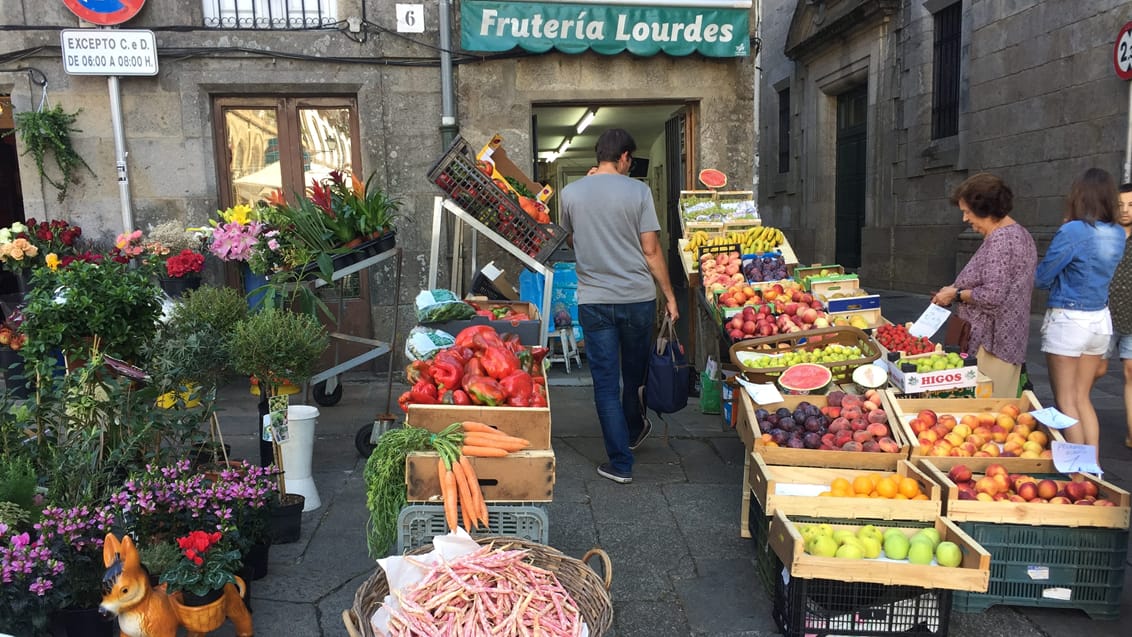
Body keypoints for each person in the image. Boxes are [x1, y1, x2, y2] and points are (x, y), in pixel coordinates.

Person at [559, 128, 679, 484]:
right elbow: (651, 250)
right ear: (624, 156)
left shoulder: (570, 193)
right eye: (630, 160)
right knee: (634, 375)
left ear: (599, 157)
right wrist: (670, 296)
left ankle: (620, 463)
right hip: (637, 299)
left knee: (605, 385)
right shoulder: (638, 191)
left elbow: (569, 236)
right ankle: (633, 428)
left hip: (595, 301)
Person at [1034, 168, 1126, 448]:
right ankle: (1093, 468)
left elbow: (1042, 277)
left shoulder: (1073, 230)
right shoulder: (1117, 233)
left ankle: (1077, 471)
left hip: (1069, 319)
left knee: (1066, 399)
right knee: (1083, 397)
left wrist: (1066, 230)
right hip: (1100, 319)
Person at [932, 173, 1037, 397]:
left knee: (987, 408)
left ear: (985, 208)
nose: (965, 219)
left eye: (967, 212)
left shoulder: (1001, 240)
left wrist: (956, 294)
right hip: (1006, 340)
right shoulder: (1020, 234)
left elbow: (993, 296)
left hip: (992, 345)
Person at [1104, 183, 1132, 449]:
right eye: (1121, 204)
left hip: (1131, 317)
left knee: (1130, 371)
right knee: (1094, 370)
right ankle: (1075, 418)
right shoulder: (1105, 235)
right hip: (1103, 314)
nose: (1125, 210)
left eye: (1131, 205)